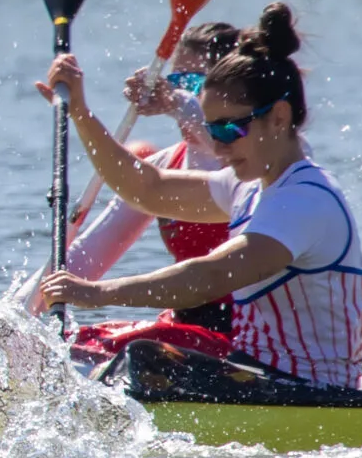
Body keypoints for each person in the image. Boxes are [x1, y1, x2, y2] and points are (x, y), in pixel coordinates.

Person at [39, 4, 362, 388]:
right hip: (257, 371)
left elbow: (211, 276)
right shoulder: (247, 187)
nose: (217, 145)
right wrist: (80, 112)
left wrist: (94, 293)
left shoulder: (305, 199)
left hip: (313, 389)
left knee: (140, 355)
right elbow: (148, 188)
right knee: (85, 346)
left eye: (229, 130)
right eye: (211, 130)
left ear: (278, 117)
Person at [63, 21, 242, 331]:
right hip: (186, 328)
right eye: (175, 80)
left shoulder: (251, 170)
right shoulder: (165, 165)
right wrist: (18, 315)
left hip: (252, 336)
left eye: (192, 84)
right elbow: (84, 261)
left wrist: (173, 99)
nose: (182, 93)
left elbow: (216, 140)